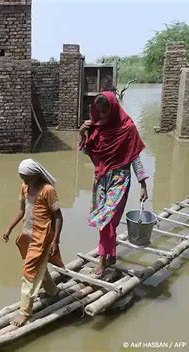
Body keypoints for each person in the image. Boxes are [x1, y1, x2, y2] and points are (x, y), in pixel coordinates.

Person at [79, 91, 149, 276]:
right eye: (99, 112)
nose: (102, 116)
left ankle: (102, 261)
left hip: (120, 179)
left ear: (114, 108)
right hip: (101, 179)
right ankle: (111, 255)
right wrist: (83, 134)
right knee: (106, 220)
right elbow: (89, 152)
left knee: (107, 219)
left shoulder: (128, 128)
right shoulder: (98, 127)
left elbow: (134, 157)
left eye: (105, 112)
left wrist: (143, 184)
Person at [2, 159, 65, 327]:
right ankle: (52, 291)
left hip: (42, 238)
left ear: (36, 175)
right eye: (21, 178)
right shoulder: (24, 187)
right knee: (38, 267)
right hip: (28, 235)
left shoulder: (48, 190)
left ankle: (25, 312)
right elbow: (22, 210)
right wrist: (9, 228)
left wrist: (56, 240)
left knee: (28, 272)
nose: (24, 181)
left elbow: (58, 216)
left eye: (26, 177)